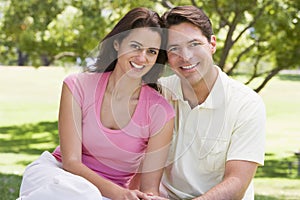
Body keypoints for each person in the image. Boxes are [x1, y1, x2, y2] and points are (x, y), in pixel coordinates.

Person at [18, 7, 175, 200]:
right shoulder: (77, 86)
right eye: (135, 46)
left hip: (109, 196)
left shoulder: (161, 112)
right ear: (117, 43)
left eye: (151, 51)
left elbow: (149, 186)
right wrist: (120, 194)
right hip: (57, 175)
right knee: (85, 193)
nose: (142, 58)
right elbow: (71, 162)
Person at [158, 5, 266, 200]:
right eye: (174, 48)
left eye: (194, 44)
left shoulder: (246, 104)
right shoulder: (159, 94)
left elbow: (237, 182)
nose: (186, 56)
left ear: (212, 44)